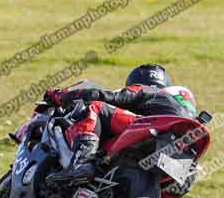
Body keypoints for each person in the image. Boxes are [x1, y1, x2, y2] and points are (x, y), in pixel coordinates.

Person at [43, 64, 198, 187]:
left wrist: (62, 96)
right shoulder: (175, 104)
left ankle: (81, 163)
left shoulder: (144, 89)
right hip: (176, 147)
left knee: (95, 106)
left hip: (149, 126)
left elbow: (109, 97)